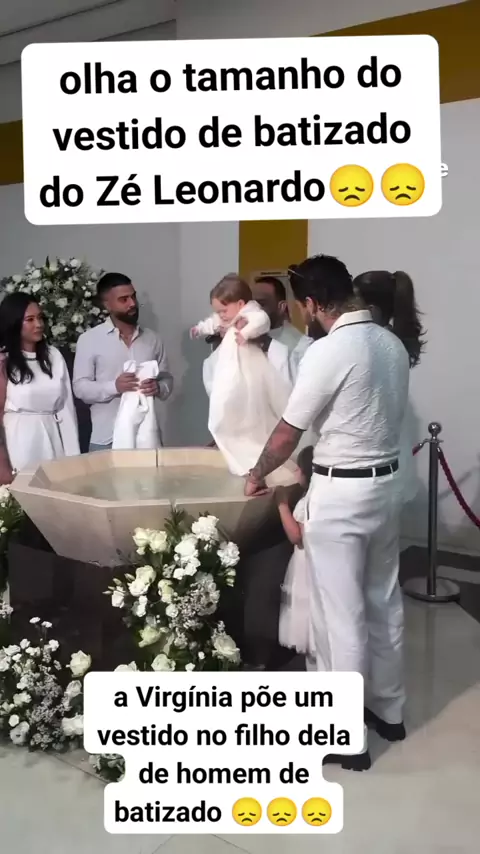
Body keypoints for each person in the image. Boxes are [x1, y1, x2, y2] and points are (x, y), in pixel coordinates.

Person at [244, 254, 410, 772]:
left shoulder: (329, 349)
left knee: (341, 616)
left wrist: (256, 473)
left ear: (313, 303)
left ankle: (347, 736)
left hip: (343, 494)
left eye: (302, 306)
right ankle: (389, 710)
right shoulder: (389, 341)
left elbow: (287, 434)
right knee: (383, 599)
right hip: (386, 485)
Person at [192, 274, 291, 476]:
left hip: (250, 366)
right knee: (225, 404)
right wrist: (200, 328)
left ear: (240, 304)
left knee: (252, 404)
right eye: (218, 311)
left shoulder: (251, 314)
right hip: (231, 366)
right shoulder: (226, 321)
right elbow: (213, 322)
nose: (221, 316)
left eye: (224, 310)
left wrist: (245, 334)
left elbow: (261, 321)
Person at [73, 273, 173, 452]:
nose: (132, 303)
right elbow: (80, 388)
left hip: (147, 437)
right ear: (107, 305)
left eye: (133, 296)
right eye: (124, 299)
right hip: (106, 439)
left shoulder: (153, 339)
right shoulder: (89, 340)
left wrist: (158, 387)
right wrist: (114, 386)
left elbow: (167, 380)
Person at [353, 270, 426, 504]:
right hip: (389, 462)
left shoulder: (374, 347)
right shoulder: (391, 342)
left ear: (371, 309)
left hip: (376, 466)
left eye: (352, 304)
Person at [0, 293, 79, 480]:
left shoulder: (54, 356)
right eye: (30, 319)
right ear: (14, 322)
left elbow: (67, 409)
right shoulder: (4, 361)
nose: (38, 324)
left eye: (40, 317)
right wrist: (3, 465)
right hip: (19, 441)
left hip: (53, 436)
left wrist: (73, 457)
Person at [277, 445, 314, 655]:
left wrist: (282, 504)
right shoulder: (320, 498)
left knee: (304, 603)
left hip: (304, 563)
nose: (295, 472)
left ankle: (308, 643)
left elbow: (296, 536)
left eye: (298, 468)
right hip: (319, 560)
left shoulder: (304, 503)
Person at [252, 274, 312, 382]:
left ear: (281, 307)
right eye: (251, 304)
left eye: (261, 304)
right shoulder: (243, 339)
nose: (254, 310)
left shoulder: (302, 346)